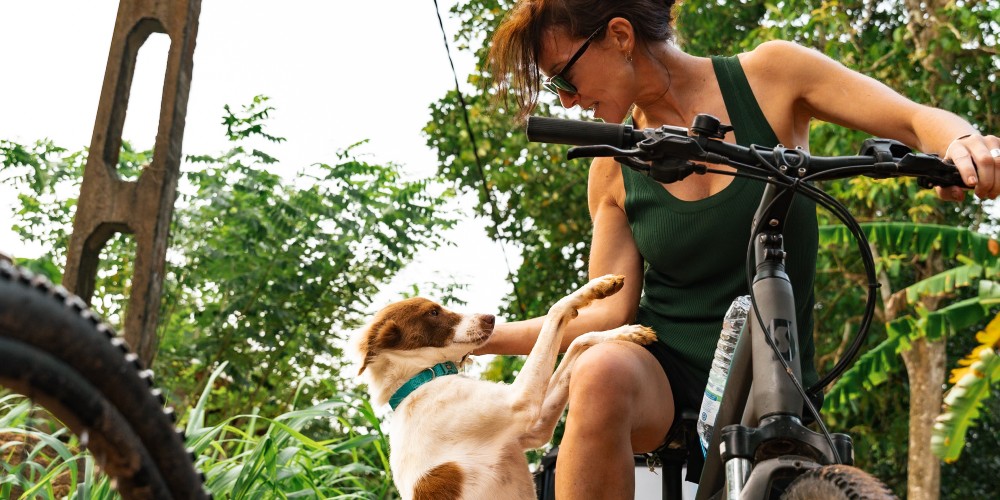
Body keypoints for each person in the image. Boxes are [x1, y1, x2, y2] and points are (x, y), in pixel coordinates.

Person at [478, 0, 1000, 497]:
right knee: (598, 370)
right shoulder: (612, 165)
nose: (566, 100)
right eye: (555, 88)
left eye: (565, 77)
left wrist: (961, 143)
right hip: (667, 375)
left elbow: (914, 120)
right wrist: (478, 337)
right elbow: (608, 310)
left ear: (619, 35)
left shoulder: (773, 75)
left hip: (774, 370)